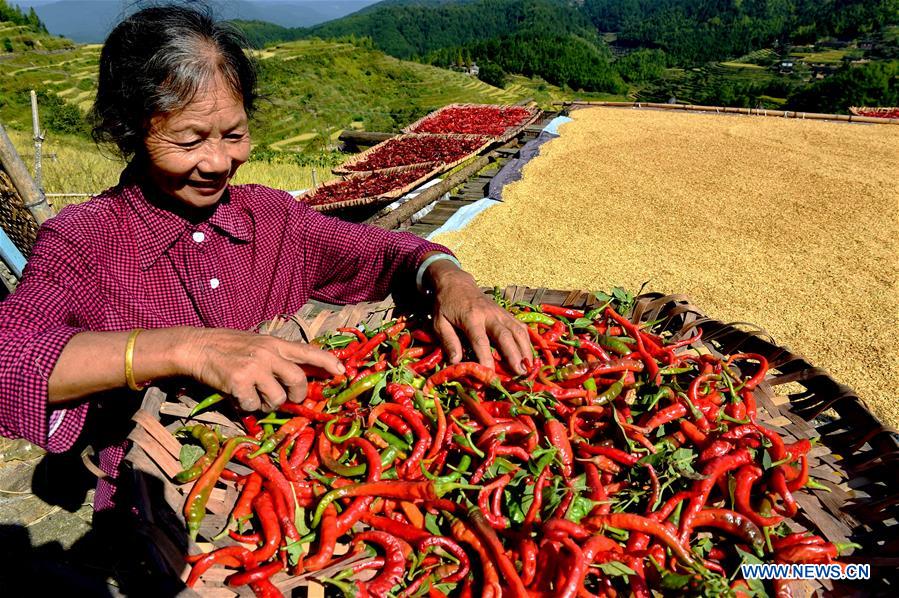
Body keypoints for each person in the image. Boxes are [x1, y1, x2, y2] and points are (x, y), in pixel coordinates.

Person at [0, 5, 531, 514]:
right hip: (162, 493)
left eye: (234, 135)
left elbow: (387, 252)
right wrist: (184, 348)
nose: (217, 162)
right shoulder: (84, 239)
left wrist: (449, 277)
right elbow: (9, 359)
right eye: (188, 140)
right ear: (130, 129)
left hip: (295, 470)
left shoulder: (272, 217)